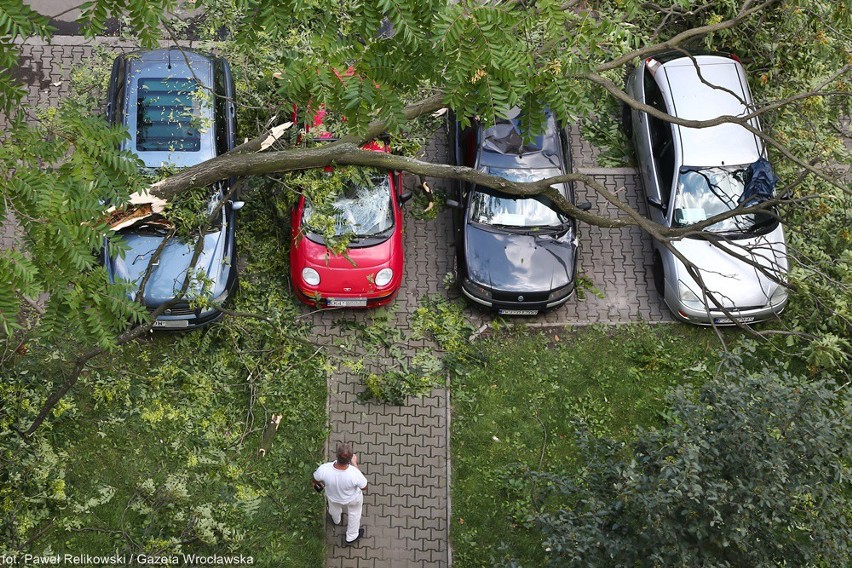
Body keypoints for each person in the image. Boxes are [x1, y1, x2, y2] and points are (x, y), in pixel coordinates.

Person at [311, 443, 368, 545]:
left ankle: (336, 520)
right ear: (350, 458)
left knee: (334, 509)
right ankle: (351, 537)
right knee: (354, 513)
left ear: (336, 455)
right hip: (353, 498)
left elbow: (315, 480)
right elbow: (364, 487)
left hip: (333, 497)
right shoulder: (354, 473)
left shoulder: (324, 469)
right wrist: (355, 464)